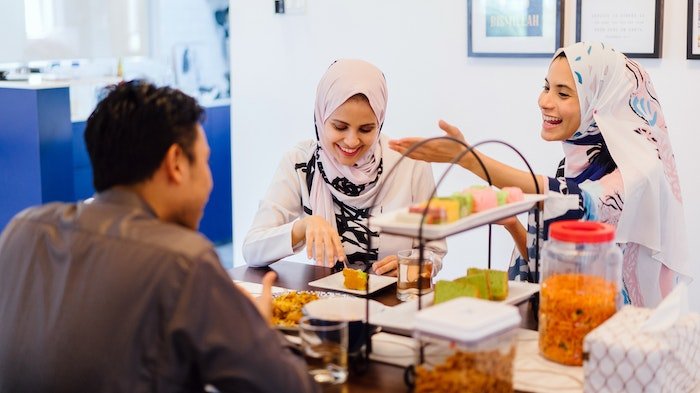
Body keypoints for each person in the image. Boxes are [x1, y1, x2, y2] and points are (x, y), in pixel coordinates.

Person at [0, 81, 319, 392]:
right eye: (205, 161)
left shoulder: (23, 228)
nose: (209, 181)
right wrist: (261, 332)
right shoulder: (183, 260)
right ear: (176, 163)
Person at [389, 42, 690, 308]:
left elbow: (576, 201)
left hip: (622, 344)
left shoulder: (640, 174)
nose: (544, 101)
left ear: (600, 103)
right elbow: (549, 267)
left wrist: (468, 159)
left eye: (563, 93)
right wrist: (514, 227)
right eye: (546, 87)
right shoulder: (573, 166)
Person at [243, 59, 446, 276]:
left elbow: (434, 251)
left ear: (380, 122)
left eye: (366, 129)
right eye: (340, 127)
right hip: (325, 306)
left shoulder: (411, 164)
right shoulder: (301, 164)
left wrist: (414, 264)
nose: (351, 141)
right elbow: (252, 249)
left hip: (392, 304)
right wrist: (302, 227)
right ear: (321, 118)